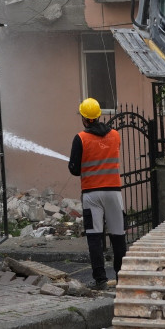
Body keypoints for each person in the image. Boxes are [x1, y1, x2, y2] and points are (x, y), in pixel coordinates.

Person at [67, 97, 126, 291]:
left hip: (92, 195)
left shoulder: (80, 138)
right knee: (118, 236)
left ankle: (100, 279)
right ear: (99, 115)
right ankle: (121, 276)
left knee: (94, 236)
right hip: (114, 193)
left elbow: (74, 169)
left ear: (84, 118)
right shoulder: (116, 136)